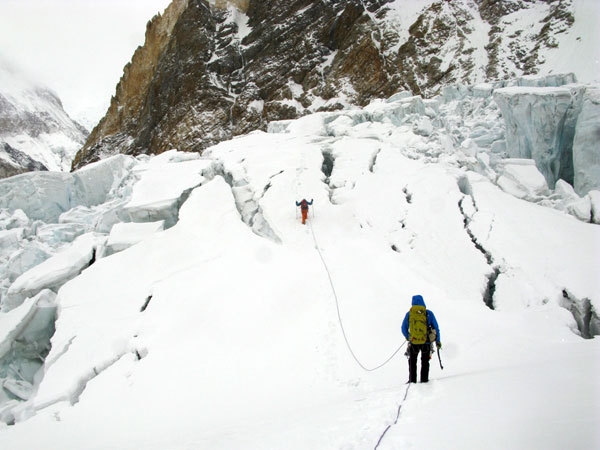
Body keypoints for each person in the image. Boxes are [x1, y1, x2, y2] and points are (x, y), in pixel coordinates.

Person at [401, 294, 441, 383]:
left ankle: (412, 380)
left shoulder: (410, 314)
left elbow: (403, 328)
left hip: (414, 342)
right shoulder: (428, 313)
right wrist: (438, 341)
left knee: (412, 361)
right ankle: (424, 380)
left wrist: (409, 337)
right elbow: (436, 328)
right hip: (426, 342)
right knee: (425, 361)